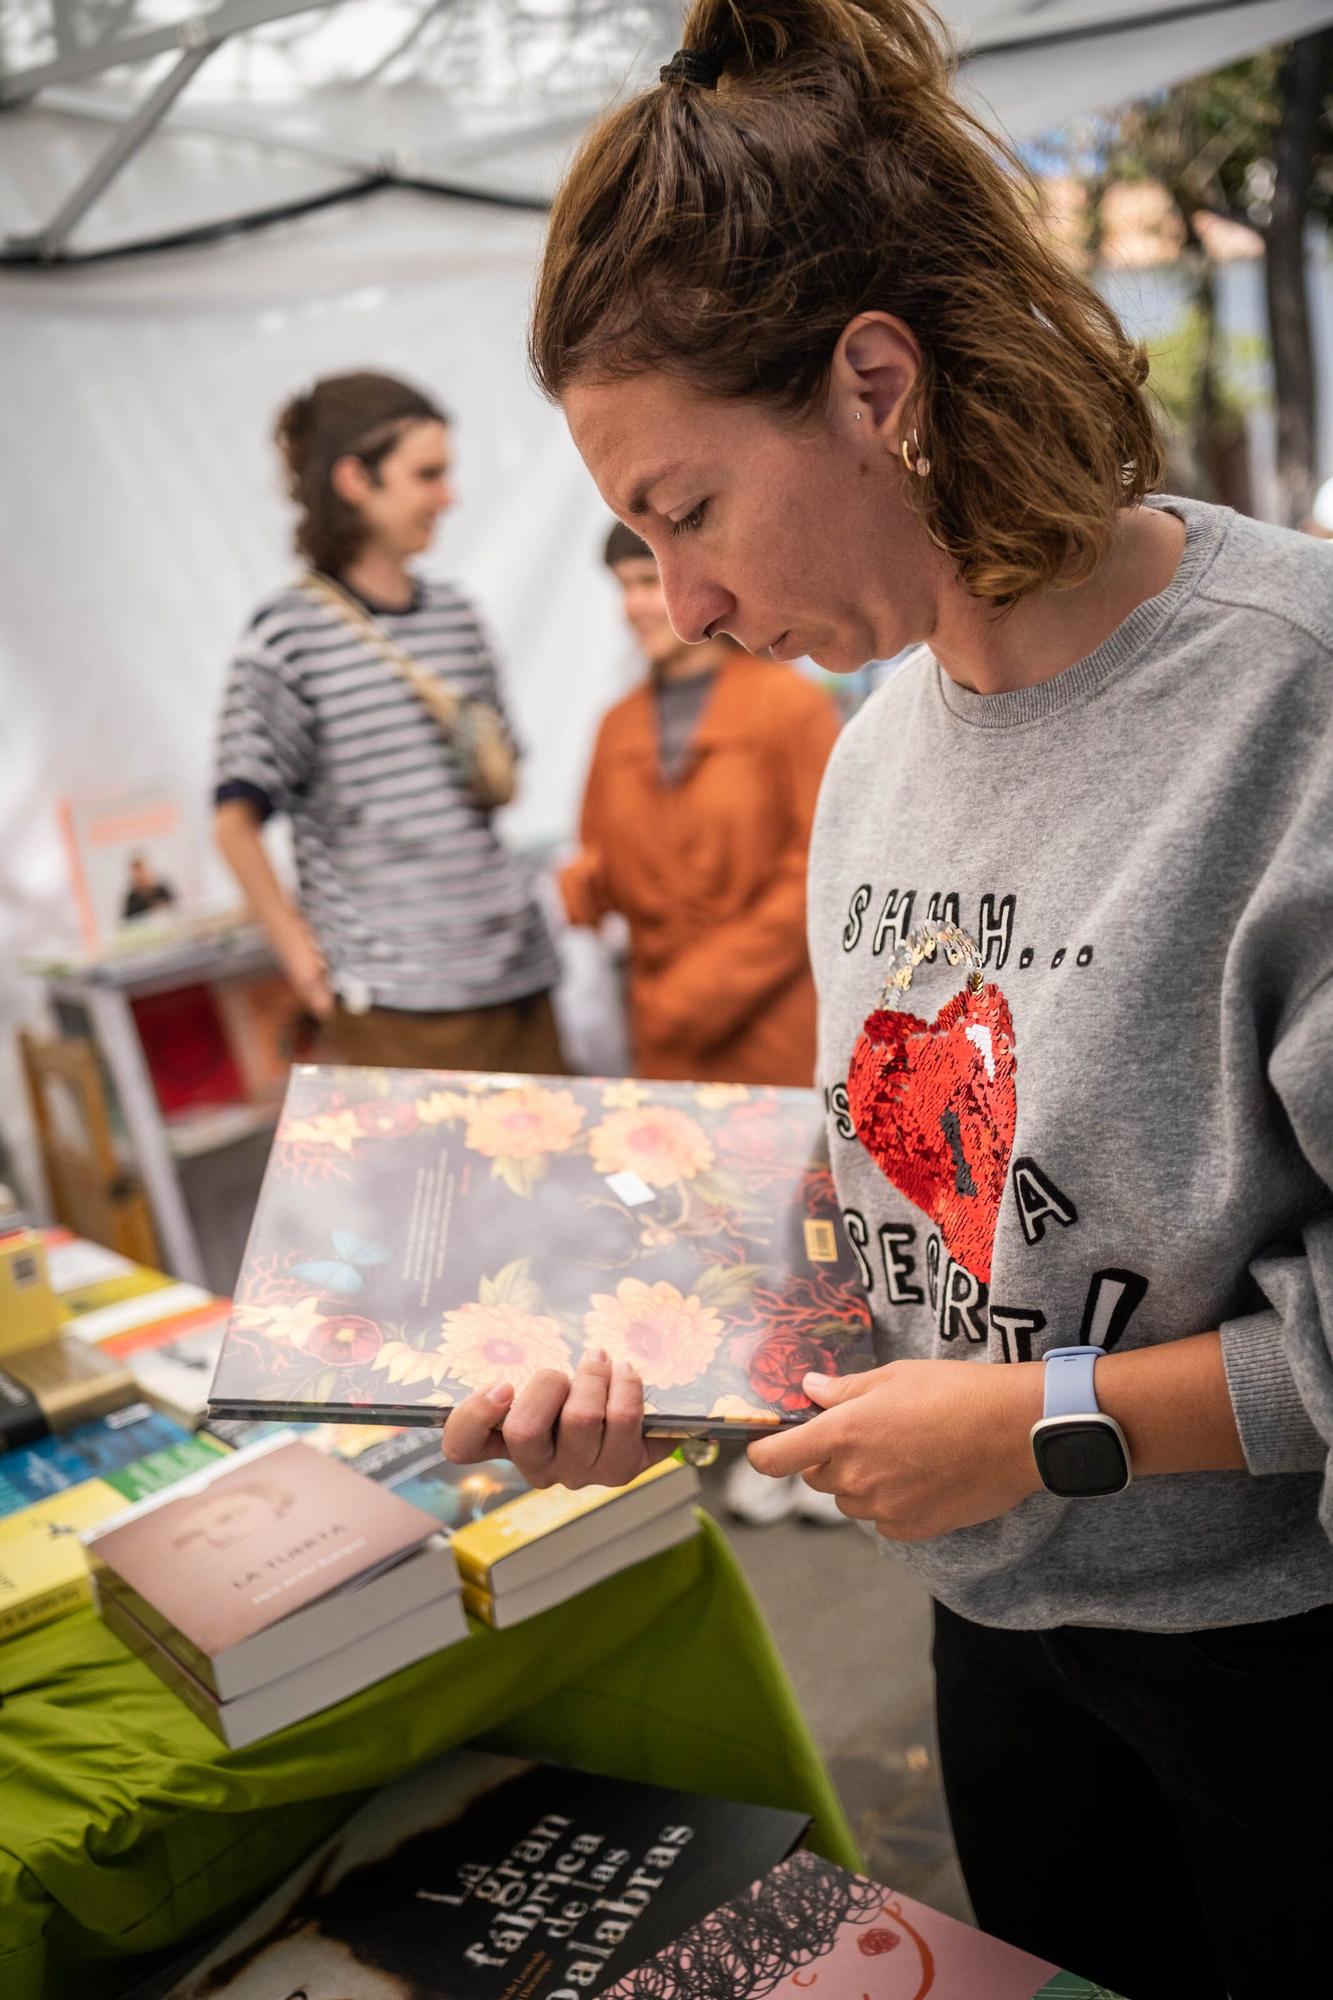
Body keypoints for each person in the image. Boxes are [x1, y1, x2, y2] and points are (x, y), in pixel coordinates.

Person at [440, 5, 1333, 1996]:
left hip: (1282, 1674)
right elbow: (899, 1226)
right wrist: (666, 1367)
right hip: (995, 1649)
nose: (686, 605)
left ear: (873, 383)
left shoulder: (1293, 700)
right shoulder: (872, 757)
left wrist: (1044, 1432)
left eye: (687, 510)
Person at [214, 371, 565, 1074]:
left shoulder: (458, 617)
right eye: (427, 475)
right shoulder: (287, 636)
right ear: (354, 479)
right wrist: (299, 957)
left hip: (520, 977)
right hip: (401, 1002)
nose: (448, 497)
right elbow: (233, 818)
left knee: (560, 1181)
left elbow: (505, 782)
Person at [562, 521, 840, 1085]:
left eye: (646, 582)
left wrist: (703, 991)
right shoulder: (616, 729)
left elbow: (823, 867)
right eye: (621, 587)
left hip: (776, 1033)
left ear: (699, 580)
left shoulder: (790, 707)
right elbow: (596, 864)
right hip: (664, 1045)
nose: (631, 607)